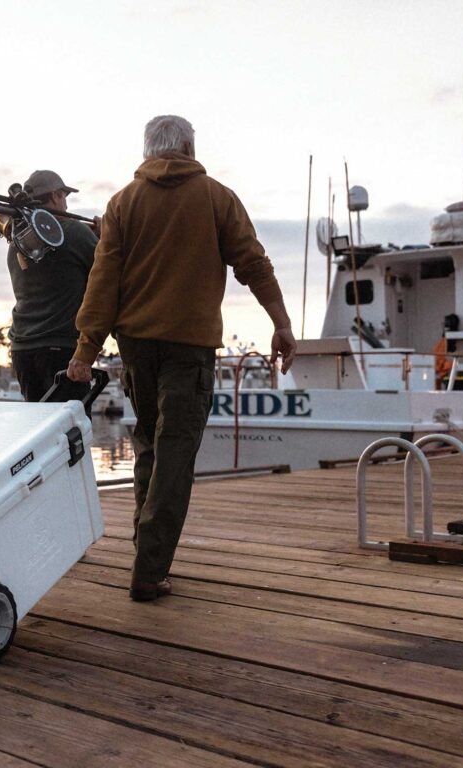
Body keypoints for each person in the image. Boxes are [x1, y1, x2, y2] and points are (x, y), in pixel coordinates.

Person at [66, 115, 297, 602]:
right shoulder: (216, 197)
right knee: (174, 453)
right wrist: (280, 322)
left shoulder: (122, 204)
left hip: (136, 347)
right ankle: (149, 569)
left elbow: (102, 283)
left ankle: (147, 554)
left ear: (149, 150)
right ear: (189, 149)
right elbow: (253, 264)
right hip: (189, 348)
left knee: (150, 445)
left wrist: (86, 349)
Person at [6, 170, 98, 402]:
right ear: (56, 196)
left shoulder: (17, 243)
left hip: (22, 349)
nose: (66, 204)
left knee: (41, 430)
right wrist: (105, 237)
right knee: (69, 429)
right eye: (64, 196)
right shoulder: (75, 232)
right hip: (60, 349)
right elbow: (106, 272)